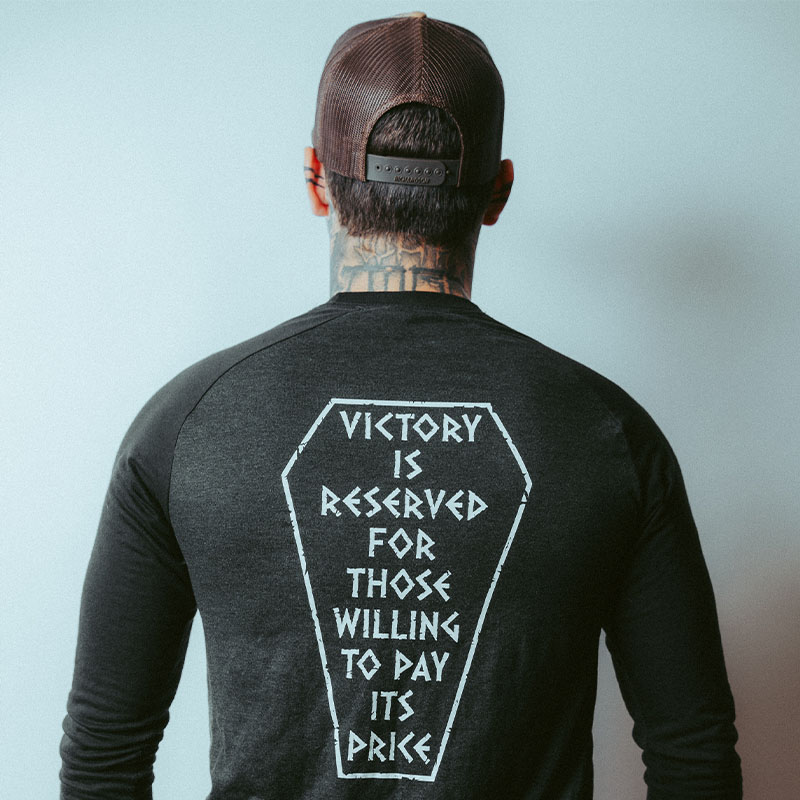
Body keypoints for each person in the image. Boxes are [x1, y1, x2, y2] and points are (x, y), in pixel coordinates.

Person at [60, 12, 743, 800]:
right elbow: (693, 758)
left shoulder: (187, 426)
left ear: (315, 178)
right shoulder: (610, 435)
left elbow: (105, 760)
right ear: (499, 190)